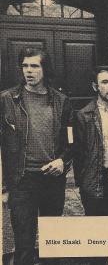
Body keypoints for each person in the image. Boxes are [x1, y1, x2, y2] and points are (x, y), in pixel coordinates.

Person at [0, 47, 73, 265]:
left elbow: (71, 142)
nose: (29, 71)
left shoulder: (61, 101)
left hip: (52, 179)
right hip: (23, 181)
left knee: (52, 242)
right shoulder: (7, 100)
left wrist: (63, 161)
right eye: (25, 66)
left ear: (45, 68)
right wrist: (4, 187)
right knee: (24, 243)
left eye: (34, 65)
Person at [73, 66, 108, 264]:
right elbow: (78, 152)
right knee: (96, 228)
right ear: (95, 86)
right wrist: (83, 182)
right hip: (95, 177)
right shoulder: (84, 115)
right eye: (105, 82)